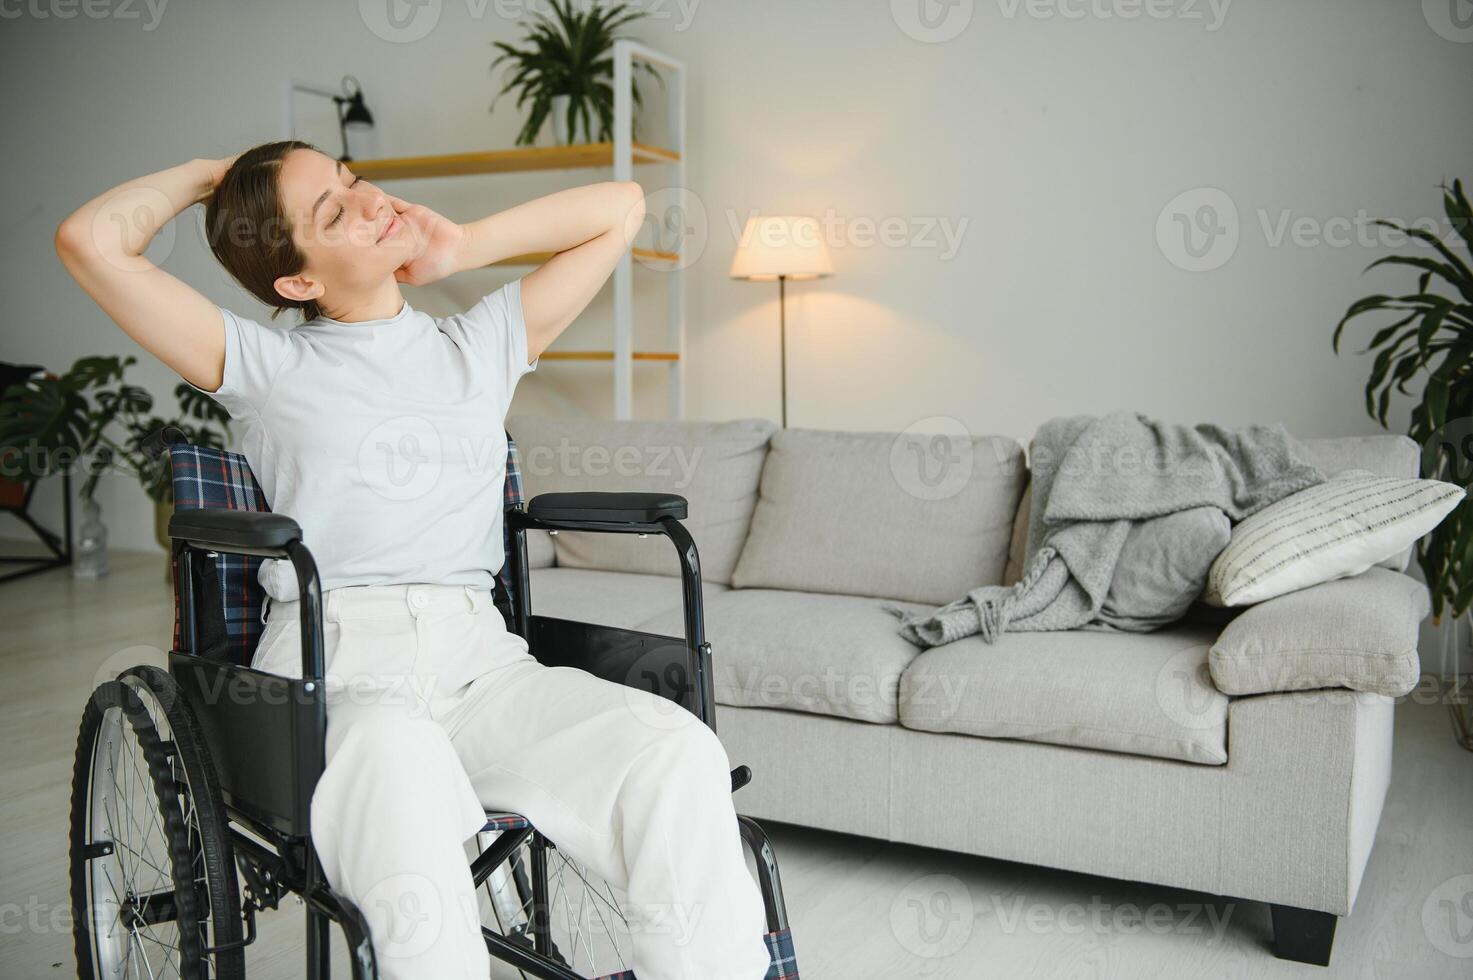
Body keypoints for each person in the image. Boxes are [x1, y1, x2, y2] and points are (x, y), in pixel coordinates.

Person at [54, 141, 773, 980]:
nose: (369, 203)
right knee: (400, 754)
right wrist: (211, 175)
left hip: (483, 669)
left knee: (672, 749)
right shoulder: (264, 366)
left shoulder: (482, 343)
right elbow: (90, 242)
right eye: (332, 211)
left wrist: (461, 247)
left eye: (353, 182)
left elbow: (619, 209)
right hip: (340, 673)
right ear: (298, 283)